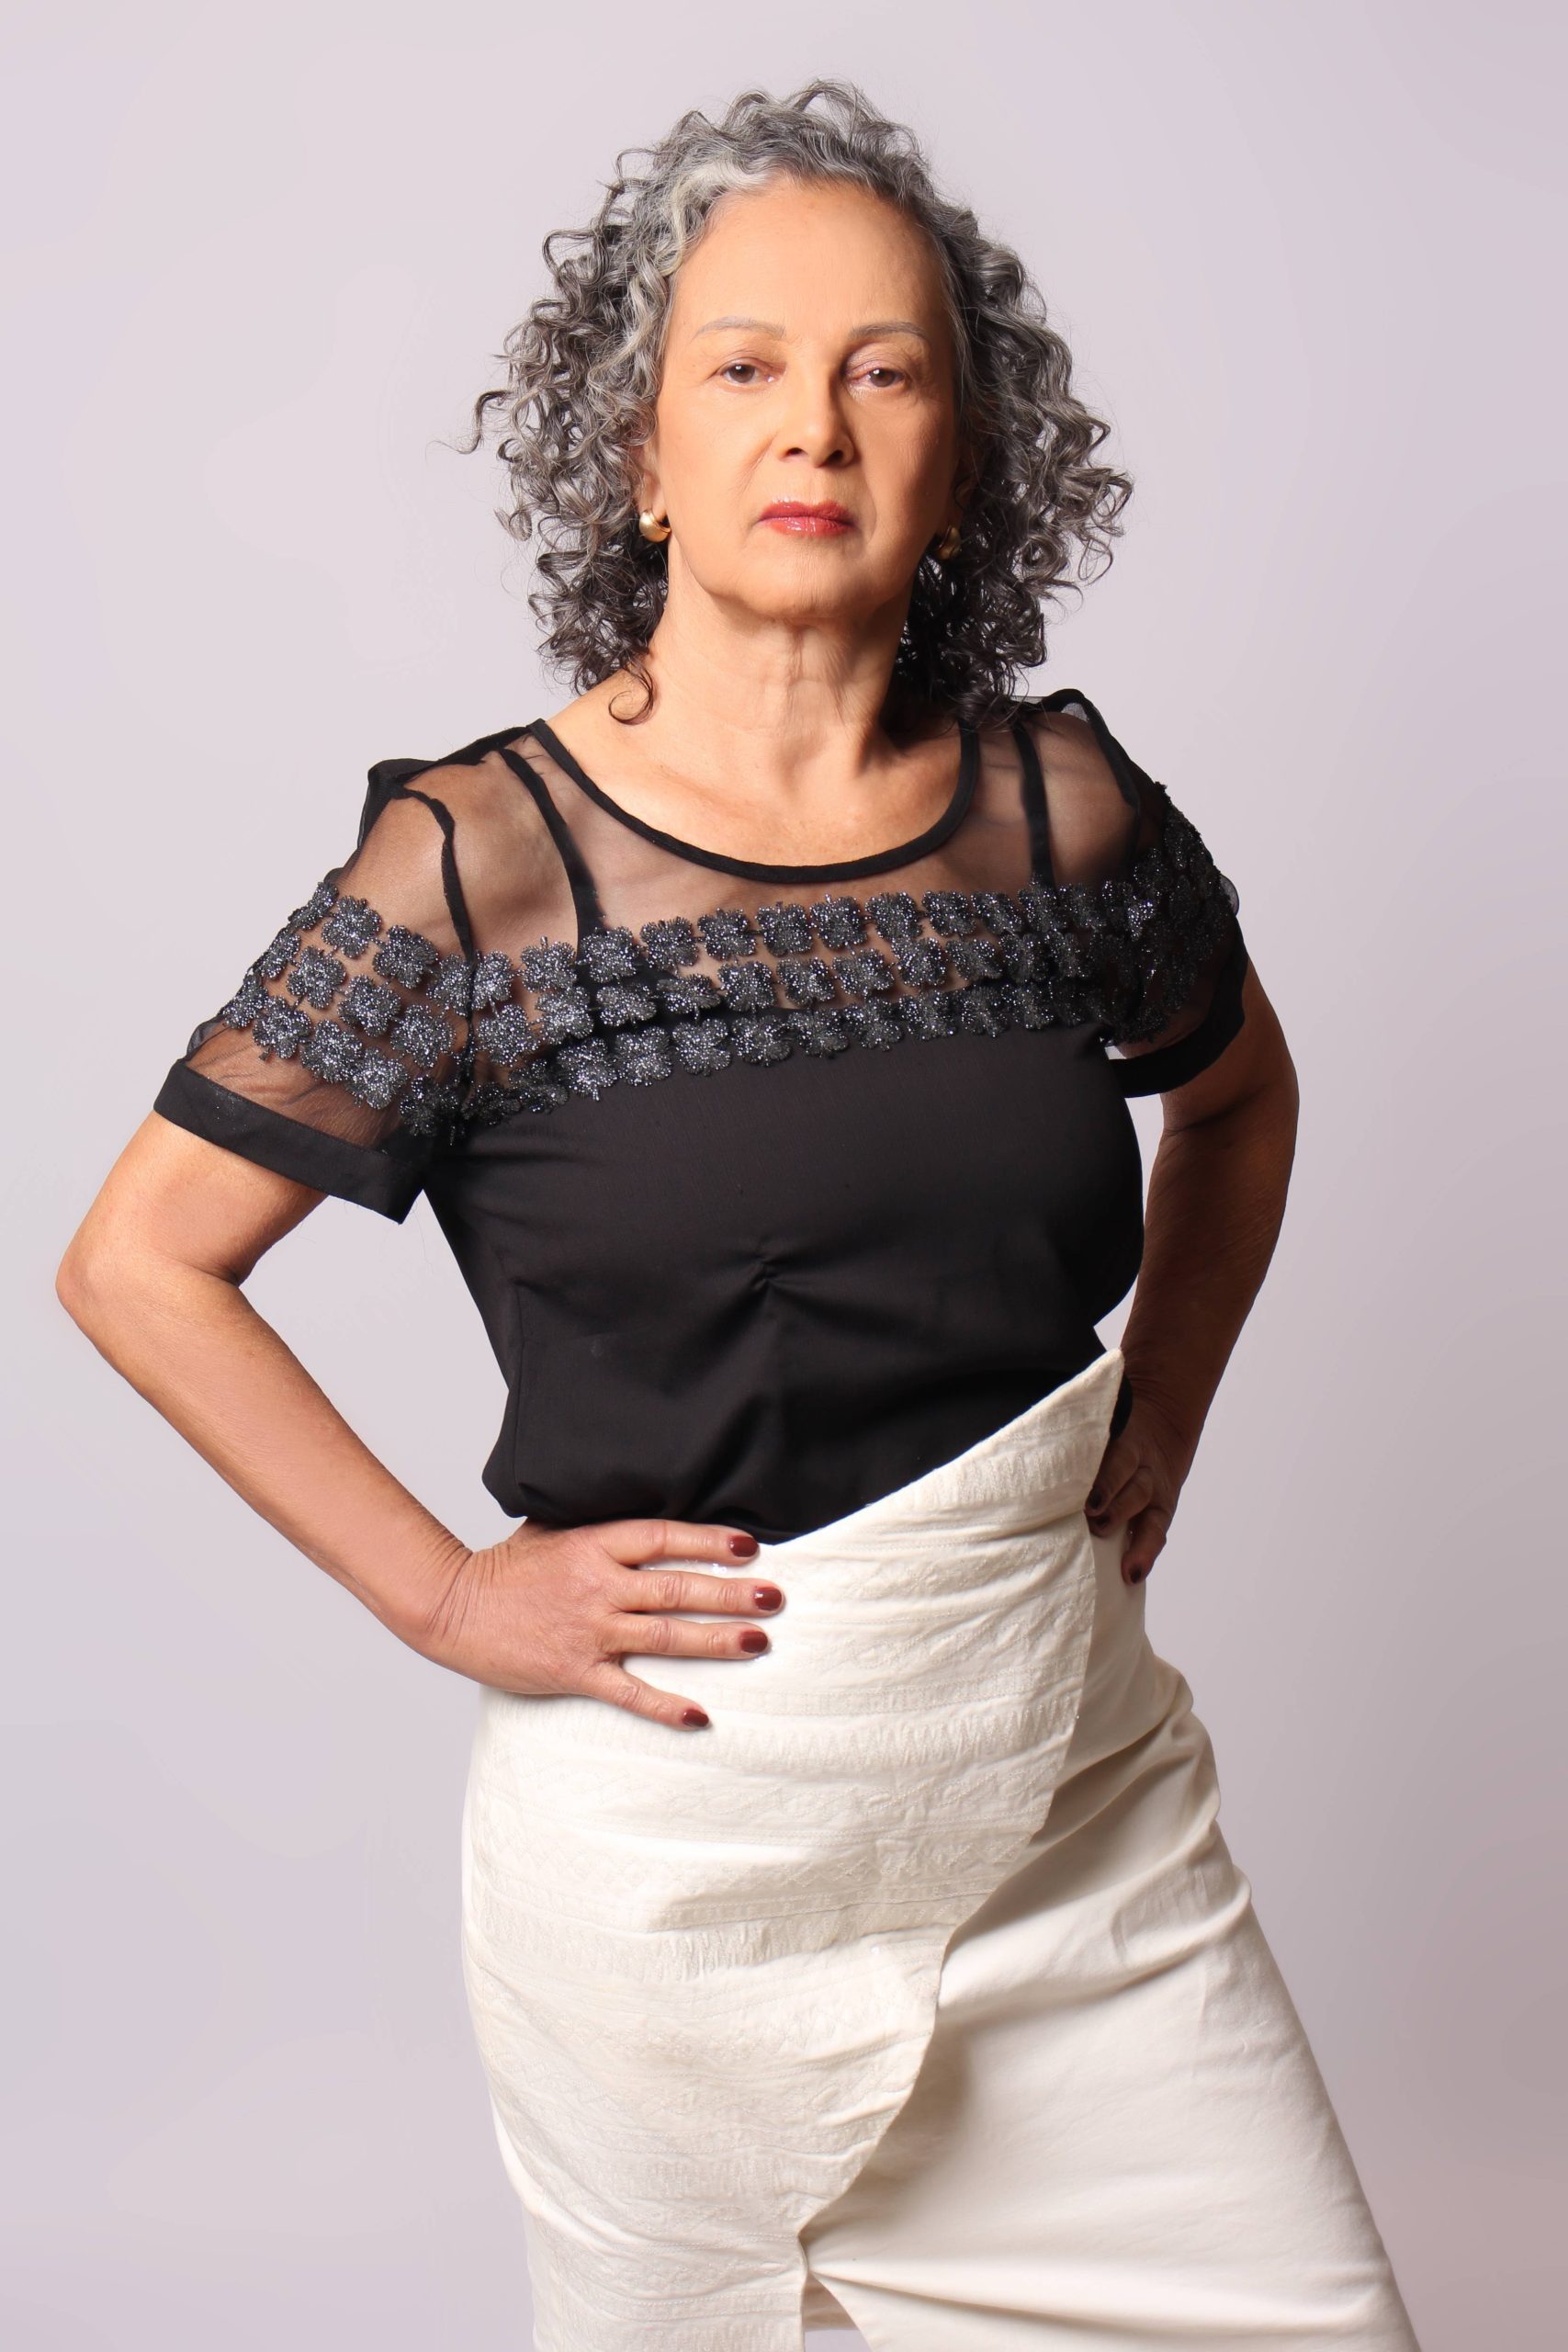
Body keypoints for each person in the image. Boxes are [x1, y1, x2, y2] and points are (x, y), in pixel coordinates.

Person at [57, 76, 1421, 2352]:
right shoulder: (481, 866)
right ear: (639, 450)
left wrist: (1166, 1394)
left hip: (1067, 1806)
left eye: (885, 371)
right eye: (744, 365)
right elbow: (137, 1262)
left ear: (963, 458)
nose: (814, 424)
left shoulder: (1059, 813)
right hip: (680, 1868)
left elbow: (1240, 1097)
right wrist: (439, 1591)